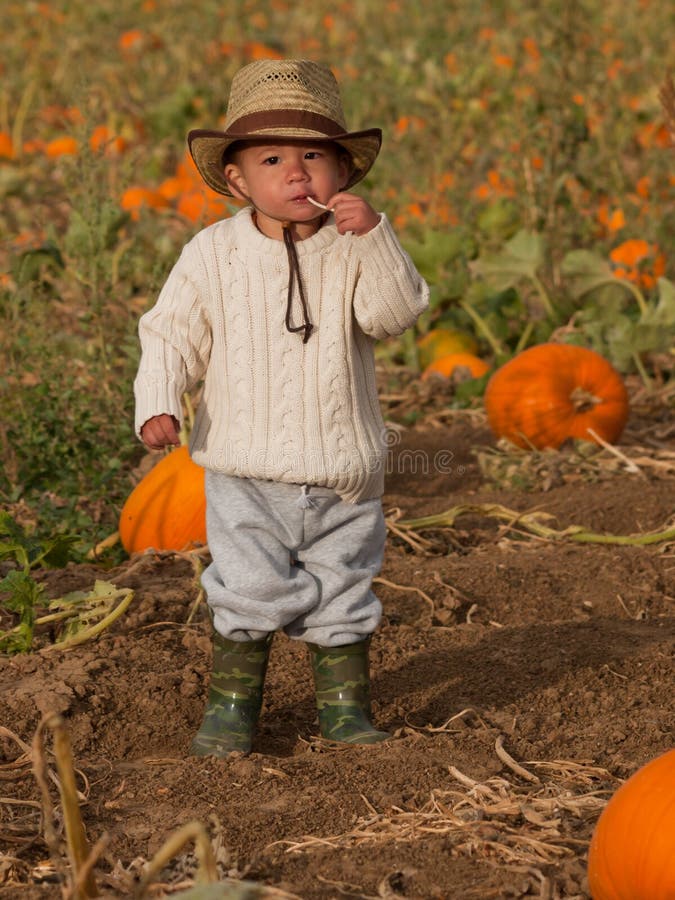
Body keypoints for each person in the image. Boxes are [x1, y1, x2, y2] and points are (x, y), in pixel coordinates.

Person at [134, 58, 429, 757]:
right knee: (246, 588)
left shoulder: (356, 247)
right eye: (273, 159)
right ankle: (232, 709)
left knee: (343, 590)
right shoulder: (212, 253)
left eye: (314, 157)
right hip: (245, 471)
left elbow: (393, 316)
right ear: (237, 179)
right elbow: (171, 332)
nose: (297, 173)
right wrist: (159, 399)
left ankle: (345, 710)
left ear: (343, 172)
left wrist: (377, 237)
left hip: (344, 471)